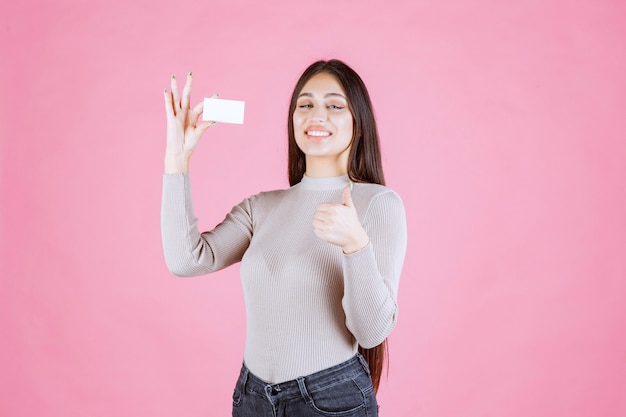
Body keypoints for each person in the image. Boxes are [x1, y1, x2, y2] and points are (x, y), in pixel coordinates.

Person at [161, 59, 407, 417]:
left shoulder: (378, 204)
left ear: (358, 121)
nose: (316, 115)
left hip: (330, 400)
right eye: (304, 105)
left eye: (334, 105)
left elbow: (371, 334)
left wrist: (356, 245)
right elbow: (186, 259)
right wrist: (176, 160)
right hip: (252, 397)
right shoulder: (262, 207)